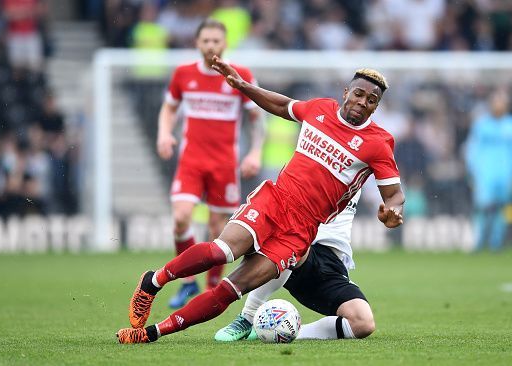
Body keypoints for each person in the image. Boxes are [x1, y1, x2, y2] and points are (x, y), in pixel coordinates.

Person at [116, 56, 405, 344]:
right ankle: (152, 282)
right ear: (346, 92)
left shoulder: (377, 143)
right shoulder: (319, 109)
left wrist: (392, 213)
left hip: (300, 232)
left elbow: (394, 195)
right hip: (275, 201)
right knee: (221, 252)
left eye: (371, 100)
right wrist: (242, 86)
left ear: (376, 106)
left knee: (231, 289)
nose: (362, 102)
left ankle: (150, 333)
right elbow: (281, 105)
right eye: (358, 94)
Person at [157, 19, 264, 308]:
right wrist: (164, 134)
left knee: (218, 228)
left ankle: (211, 285)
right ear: (197, 43)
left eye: (216, 41)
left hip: (224, 165)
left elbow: (257, 118)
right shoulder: (183, 74)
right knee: (181, 218)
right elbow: (169, 109)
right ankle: (188, 281)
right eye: (206, 41)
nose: (211, 46)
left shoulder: (239, 75)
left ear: (225, 43)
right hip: (191, 161)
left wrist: (255, 152)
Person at [214, 190, 377, 341]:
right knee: (295, 246)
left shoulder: (364, 166)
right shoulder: (316, 162)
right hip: (299, 249)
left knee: (363, 323)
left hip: (332, 265)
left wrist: (392, 208)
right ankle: (247, 318)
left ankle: (283, 330)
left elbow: (390, 190)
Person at [465, 89, 512, 251]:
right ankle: (477, 242)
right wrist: (471, 171)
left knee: (501, 208)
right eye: (496, 102)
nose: (498, 105)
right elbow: (471, 149)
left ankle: (495, 244)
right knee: (482, 207)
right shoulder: (481, 124)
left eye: (502, 102)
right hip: (484, 173)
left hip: (506, 173)